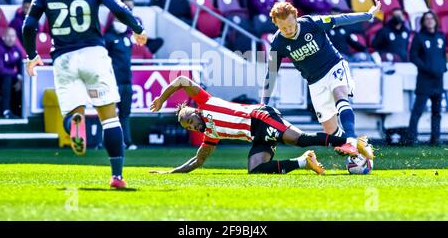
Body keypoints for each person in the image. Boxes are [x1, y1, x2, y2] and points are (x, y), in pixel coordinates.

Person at [22, 0, 147, 189]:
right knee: (110, 118)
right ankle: (117, 176)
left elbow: (28, 26)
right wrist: (138, 29)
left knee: (73, 112)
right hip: (94, 54)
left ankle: (74, 124)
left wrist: (32, 55)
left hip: (64, 59)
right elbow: (119, 8)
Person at [148, 76, 372, 174]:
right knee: (255, 169)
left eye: (189, 120)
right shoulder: (210, 135)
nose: (191, 125)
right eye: (188, 127)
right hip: (257, 136)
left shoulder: (205, 102)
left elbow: (181, 82)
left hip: (261, 117)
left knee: (298, 139)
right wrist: (171, 172)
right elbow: (198, 160)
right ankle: (304, 162)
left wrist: (161, 98)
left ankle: (353, 141)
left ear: (195, 111)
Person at [261, 1, 382, 160]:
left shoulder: (311, 23)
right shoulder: (278, 43)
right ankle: (354, 144)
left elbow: (341, 18)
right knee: (331, 132)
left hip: (334, 66)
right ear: (276, 24)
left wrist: (368, 15)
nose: (288, 30)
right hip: (315, 82)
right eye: (283, 28)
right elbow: (271, 73)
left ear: (296, 18)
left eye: (291, 25)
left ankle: (352, 139)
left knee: (340, 93)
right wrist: (263, 103)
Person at [104, 0, 164, 150]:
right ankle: (103, 142)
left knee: (125, 114)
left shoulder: (127, 39)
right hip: (112, 81)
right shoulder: (108, 38)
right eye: (117, 19)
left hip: (126, 81)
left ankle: (127, 141)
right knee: (108, 114)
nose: (119, 22)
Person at [406, 11, 447, 146]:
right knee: (418, 111)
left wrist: (442, 67)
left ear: (436, 20)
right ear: (423, 22)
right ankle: (411, 139)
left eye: (432, 18)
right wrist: (426, 68)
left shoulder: (441, 36)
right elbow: (413, 56)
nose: (430, 21)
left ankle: (435, 139)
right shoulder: (419, 37)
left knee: (437, 112)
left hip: (438, 80)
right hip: (424, 80)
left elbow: (442, 54)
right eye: (427, 19)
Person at [0, 27, 23, 119]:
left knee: (22, 82)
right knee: (7, 77)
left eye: (13, 36)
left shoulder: (16, 50)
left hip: (8, 78)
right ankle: (6, 111)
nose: (11, 38)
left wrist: (20, 80)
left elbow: (21, 68)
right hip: (0, 78)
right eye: (8, 36)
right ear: (3, 37)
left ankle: (18, 110)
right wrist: (16, 76)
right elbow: (0, 70)